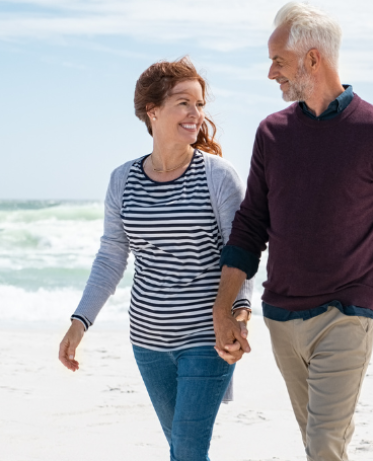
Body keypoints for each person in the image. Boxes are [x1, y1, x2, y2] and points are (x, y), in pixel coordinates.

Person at [211, 2, 373, 461]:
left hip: (347, 313)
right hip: (280, 317)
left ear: (312, 59)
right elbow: (250, 226)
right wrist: (225, 309)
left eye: (277, 61)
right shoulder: (272, 133)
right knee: (318, 444)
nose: (270, 74)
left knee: (323, 446)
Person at [58, 57, 252, 461]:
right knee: (181, 449)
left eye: (199, 105)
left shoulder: (217, 176)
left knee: (187, 450)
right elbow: (112, 257)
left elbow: (241, 253)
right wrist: (80, 322)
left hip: (207, 338)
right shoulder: (122, 180)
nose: (195, 114)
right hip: (147, 341)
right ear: (153, 111)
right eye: (184, 103)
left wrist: (239, 314)